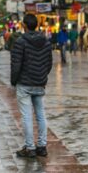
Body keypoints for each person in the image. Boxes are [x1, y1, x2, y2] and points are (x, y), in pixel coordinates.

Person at [11, 14, 53, 158]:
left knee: (27, 116)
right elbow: (49, 63)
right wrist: (42, 76)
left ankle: (30, 148)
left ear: (24, 25)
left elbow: (16, 65)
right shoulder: (46, 42)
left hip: (24, 83)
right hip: (39, 83)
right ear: (36, 25)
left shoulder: (20, 42)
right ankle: (42, 146)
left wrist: (13, 80)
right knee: (41, 115)